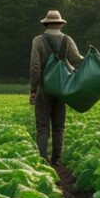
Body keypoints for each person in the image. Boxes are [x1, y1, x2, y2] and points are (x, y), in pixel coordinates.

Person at [29, 10, 84, 165]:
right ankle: (57, 161)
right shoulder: (67, 40)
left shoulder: (38, 40)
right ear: (60, 24)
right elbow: (77, 60)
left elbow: (35, 67)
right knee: (59, 127)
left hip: (45, 89)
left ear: (46, 23)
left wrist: (33, 89)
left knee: (42, 127)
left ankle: (42, 160)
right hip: (61, 89)